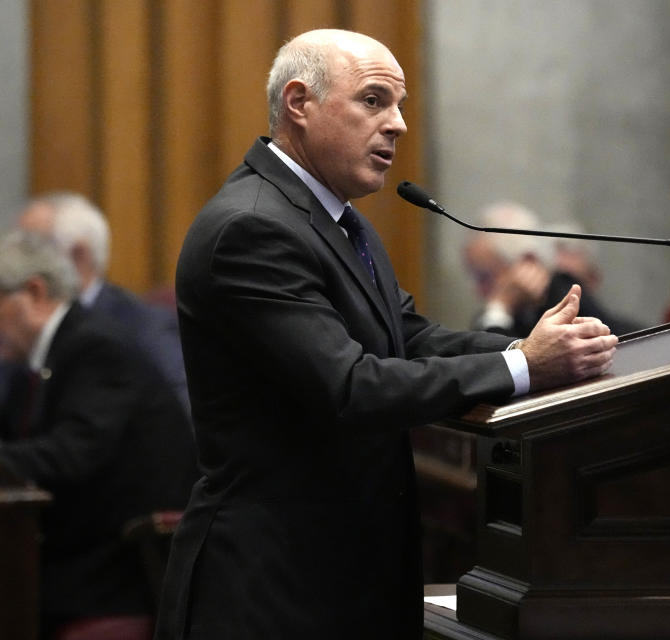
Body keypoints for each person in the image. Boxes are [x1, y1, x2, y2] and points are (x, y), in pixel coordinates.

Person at [154, 29, 618, 639]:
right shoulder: (253, 228)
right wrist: (524, 367)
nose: (397, 125)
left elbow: (407, 335)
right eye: (374, 101)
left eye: (399, 106)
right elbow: (350, 387)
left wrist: (534, 349)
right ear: (299, 103)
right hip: (272, 587)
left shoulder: (340, 221)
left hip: (344, 573)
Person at [0, 230, 197, 637]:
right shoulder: (32, 366)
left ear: (34, 293)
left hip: (117, 568)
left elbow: (70, 454)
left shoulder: (96, 347)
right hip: (67, 551)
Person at [16, 192, 189, 410]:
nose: (17, 266)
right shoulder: (23, 330)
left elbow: (181, 418)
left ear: (78, 255)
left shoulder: (144, 328)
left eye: (29, 251)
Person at [463, 202, 641, 337]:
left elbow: (502, 370)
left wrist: (500, 308)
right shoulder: (505, 311)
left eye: (484, 277)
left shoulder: (568, 296)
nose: (479, 290)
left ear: (527, 263)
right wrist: (499, 310)